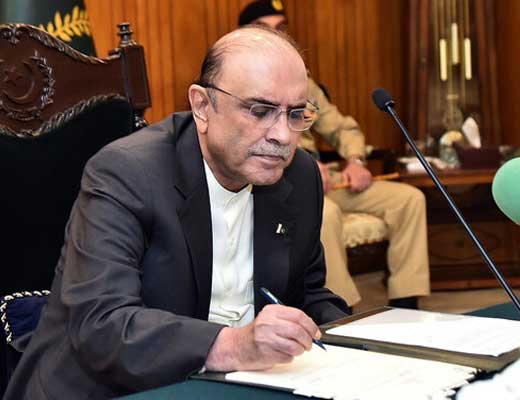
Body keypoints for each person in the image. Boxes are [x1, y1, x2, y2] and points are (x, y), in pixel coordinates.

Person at [4, 26, 349, 399]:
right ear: (202, 106)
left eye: (296, 114)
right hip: (111, 386)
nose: (283, 135)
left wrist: (365, 342)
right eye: (260, 110)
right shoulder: (127, 173)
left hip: (242, 381)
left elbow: (307, 293)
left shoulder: (299, 176)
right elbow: (100, 324)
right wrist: (234, 345)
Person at [239, 0, 431, 308]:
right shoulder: (240, 83)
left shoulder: (302, 80)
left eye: (281, 28)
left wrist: (355, 161)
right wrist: (303, 168)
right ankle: (340, 314)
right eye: (265, 29)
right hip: (274, 186)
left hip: (326, 181)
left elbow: (342, 129)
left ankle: (405, 306)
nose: (277, 36)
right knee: (324, 214)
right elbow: (247, 146)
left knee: (408, 199)